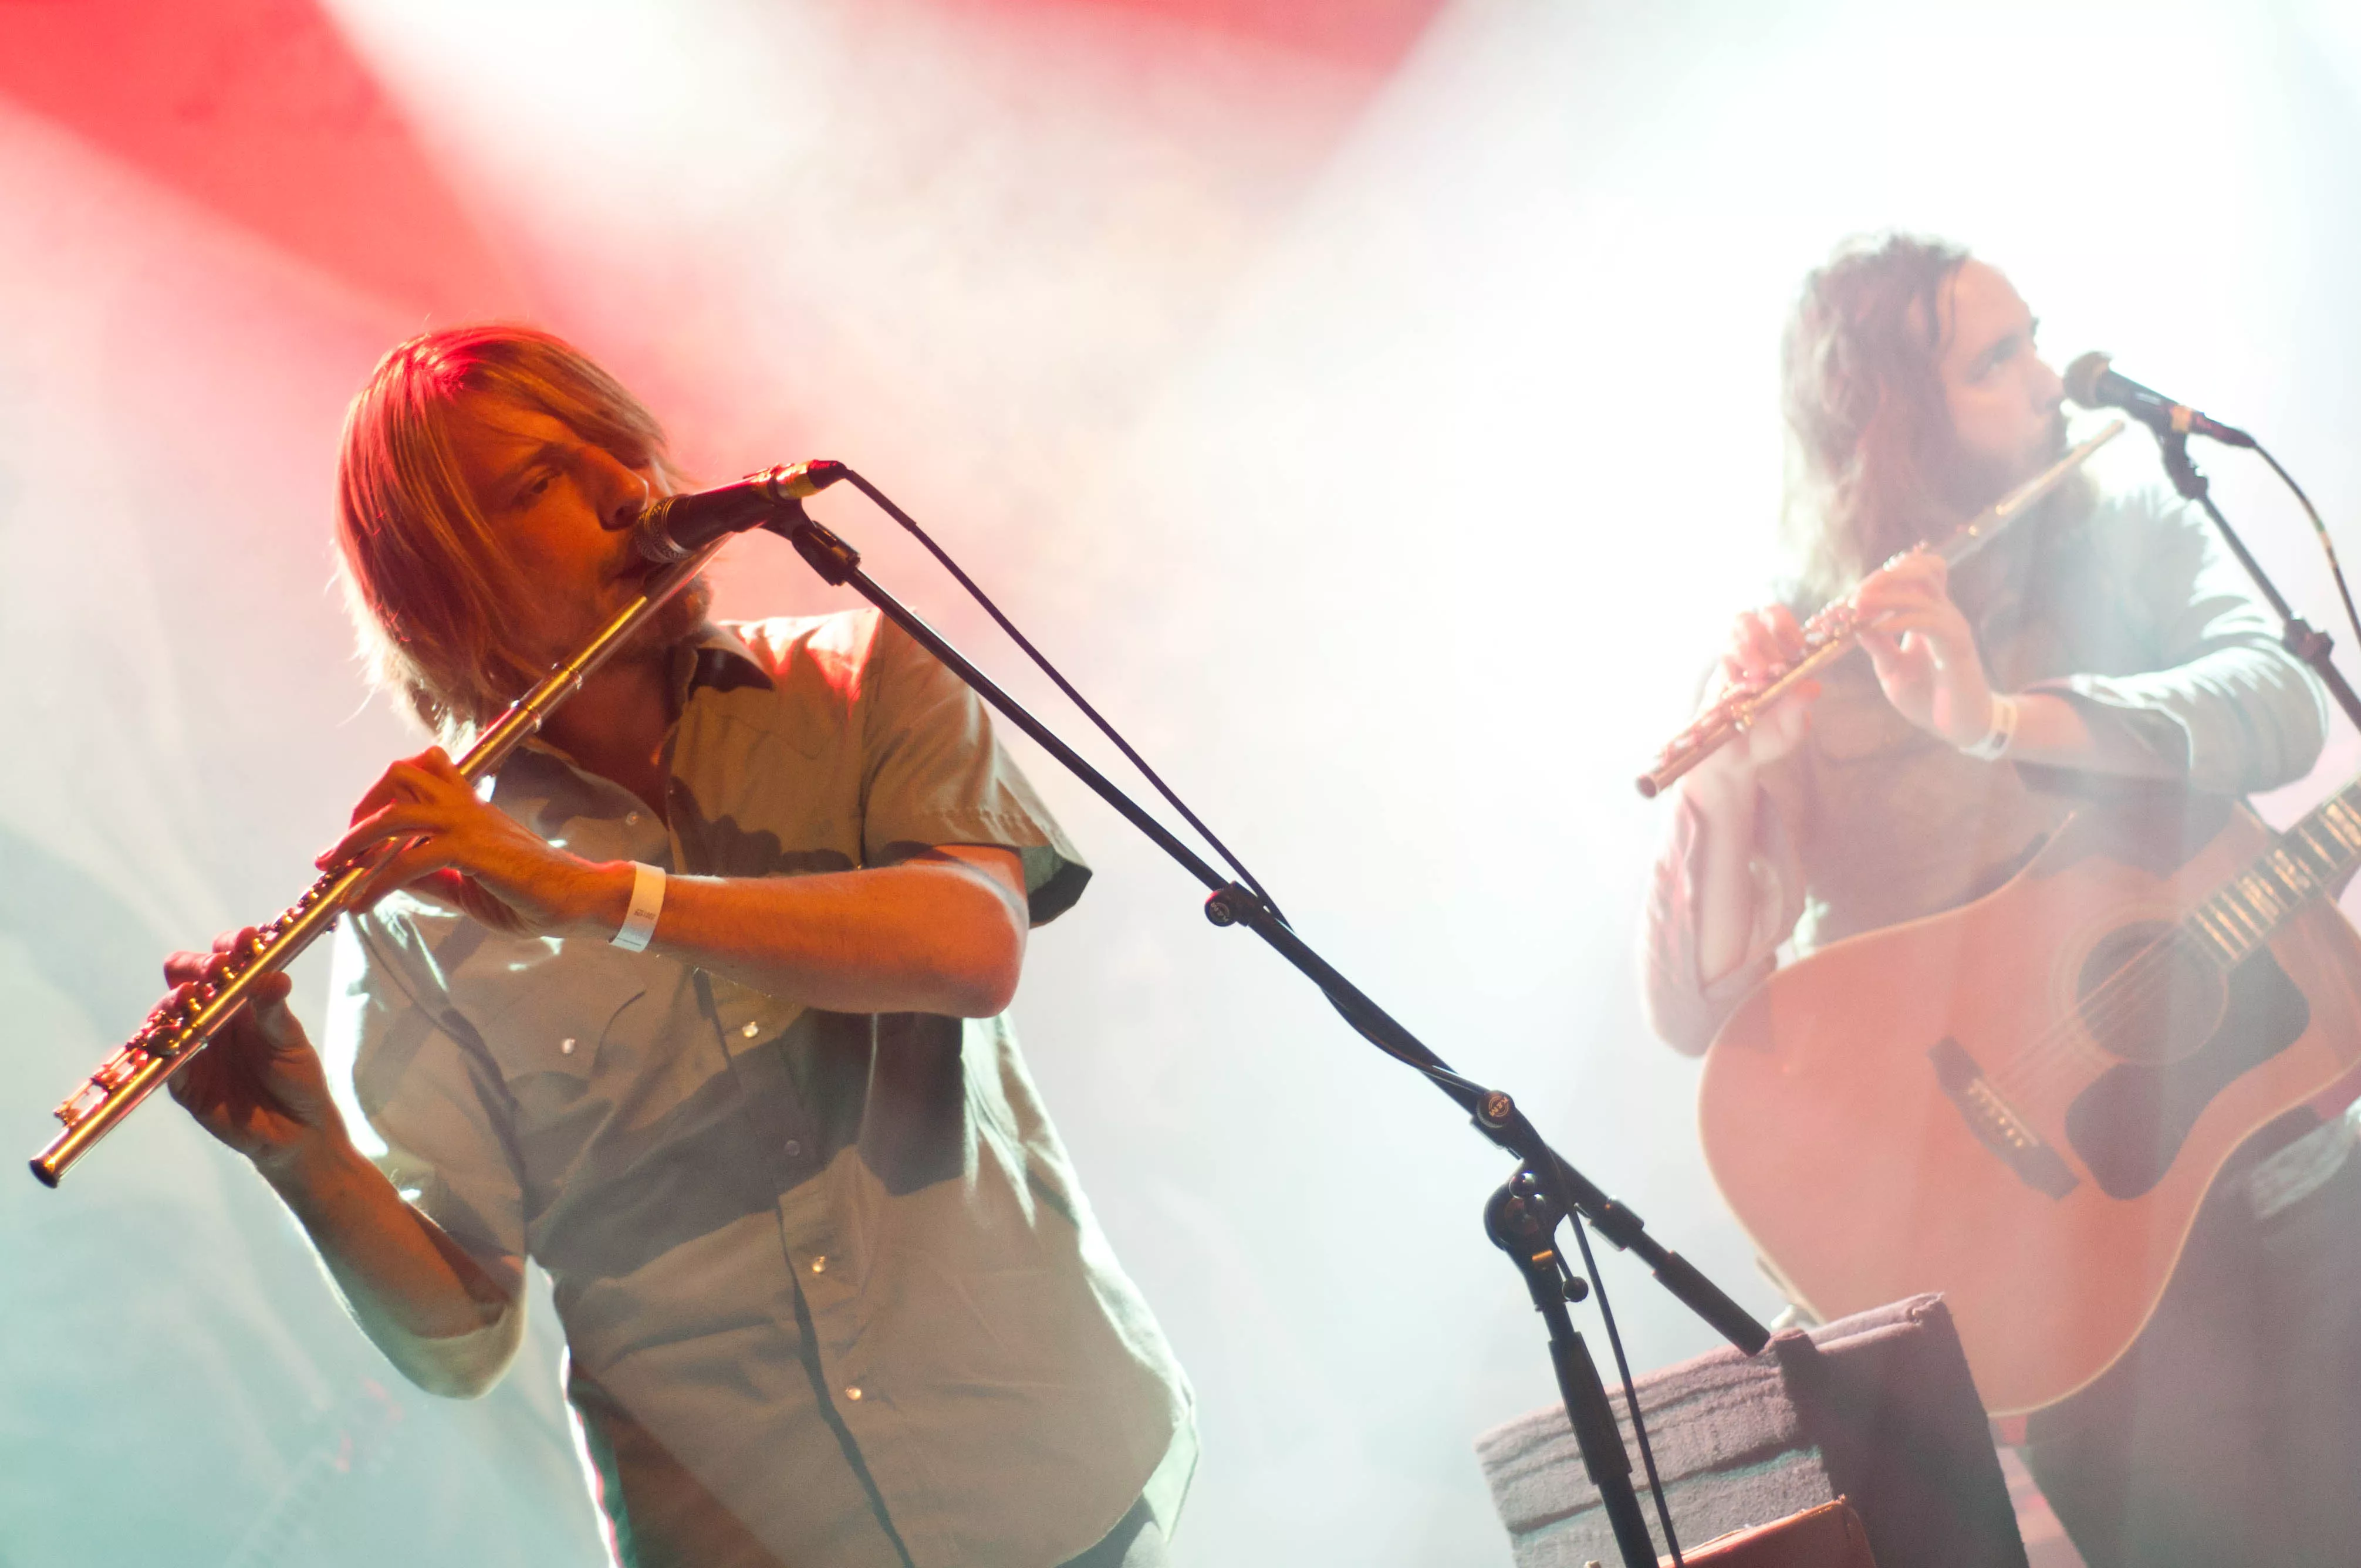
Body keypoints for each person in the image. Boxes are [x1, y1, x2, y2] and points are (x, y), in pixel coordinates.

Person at [162, 325, 1195, 1568]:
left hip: (1043, 1487)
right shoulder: (416, 906)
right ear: (445, 582)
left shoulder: (865, 680)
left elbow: (971, 946)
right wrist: (307, 1159)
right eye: (542, 481)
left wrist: (594, 897)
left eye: (616, 441)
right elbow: (460, 1343)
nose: (627, 486)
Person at [1640, 234, 2361, 1567]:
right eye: (1996, 361)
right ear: (1890, 420)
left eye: (2033, 336)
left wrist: (1999, 720)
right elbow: (1696, 1015)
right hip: (2060, 1258)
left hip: (2282, 1147)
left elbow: (2278, 702)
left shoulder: (2125, 535)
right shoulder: (1805, 646)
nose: (2048, 377)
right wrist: (1728, 788)